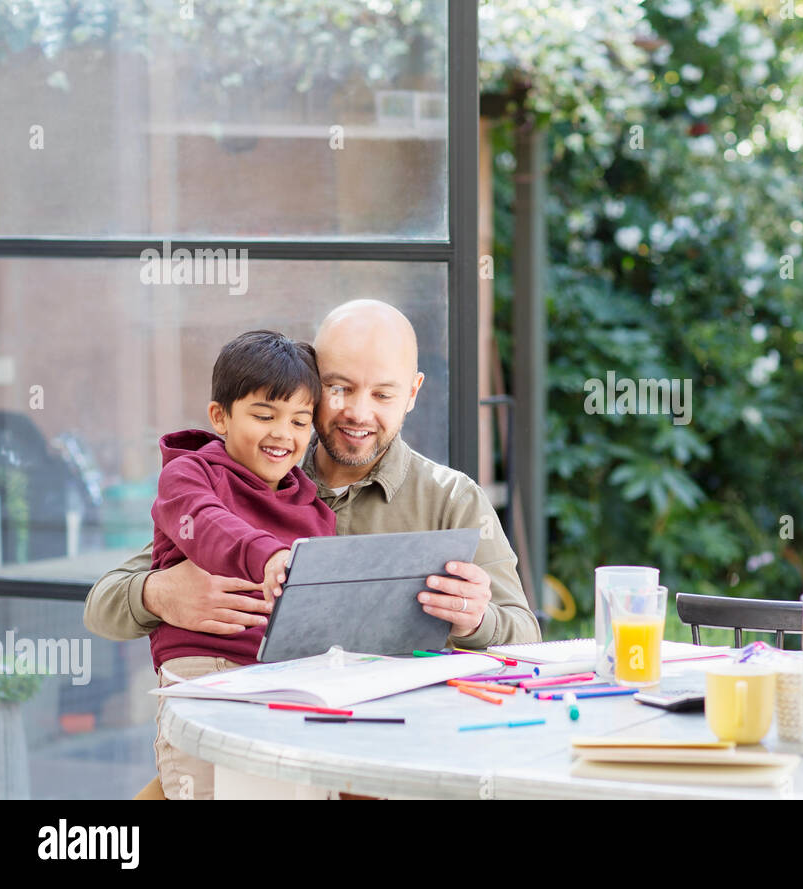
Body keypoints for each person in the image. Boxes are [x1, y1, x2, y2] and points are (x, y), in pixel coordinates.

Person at [84, 300, 541, 797]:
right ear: (313, 384)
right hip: (260, 738)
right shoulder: (256, 471)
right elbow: (103, 605)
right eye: (339, 388)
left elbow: (527, 640)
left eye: (383, 393)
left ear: (412, 394)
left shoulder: (451, 500)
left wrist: (476, 620)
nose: (358, 412)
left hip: (385, 759)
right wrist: (160, 594)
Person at [149, 330, 337, 798]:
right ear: (221, 417)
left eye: (299, 421)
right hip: (206, 671)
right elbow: (207, 525)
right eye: (263, 415)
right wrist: (267, 554)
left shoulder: (316, 510)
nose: (283, 434)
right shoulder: (189, 475)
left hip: (287, 680)